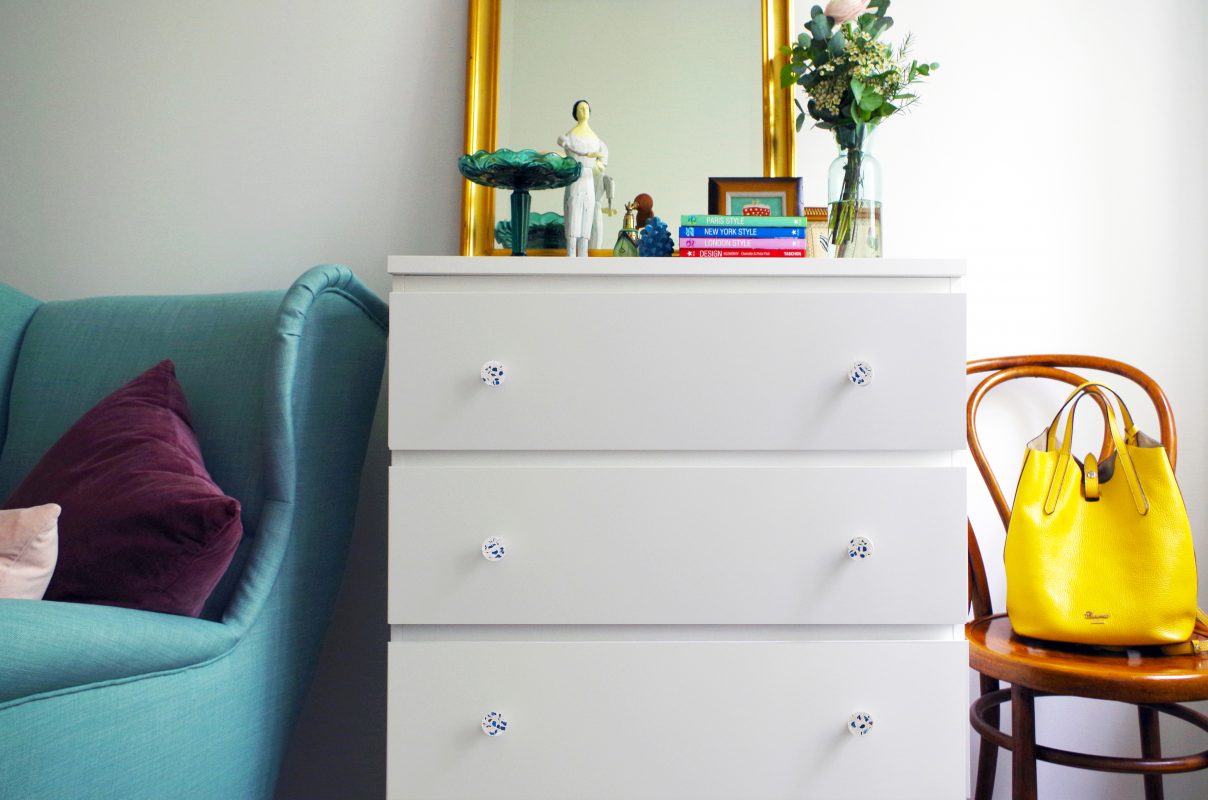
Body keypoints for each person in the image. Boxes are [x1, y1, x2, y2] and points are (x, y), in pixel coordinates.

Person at [558, 100, 609, 257]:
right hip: (575, 178)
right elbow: (563, 146)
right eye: (581, 108)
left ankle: (584, 252)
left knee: (588, 211)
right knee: (573, 209)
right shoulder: (570, 136)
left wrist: (598, 165)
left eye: (586, 108)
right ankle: (571, 251)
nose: (584, 111)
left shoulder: (595, 139)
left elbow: (603, 156)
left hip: (588, 180)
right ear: (575, 113)